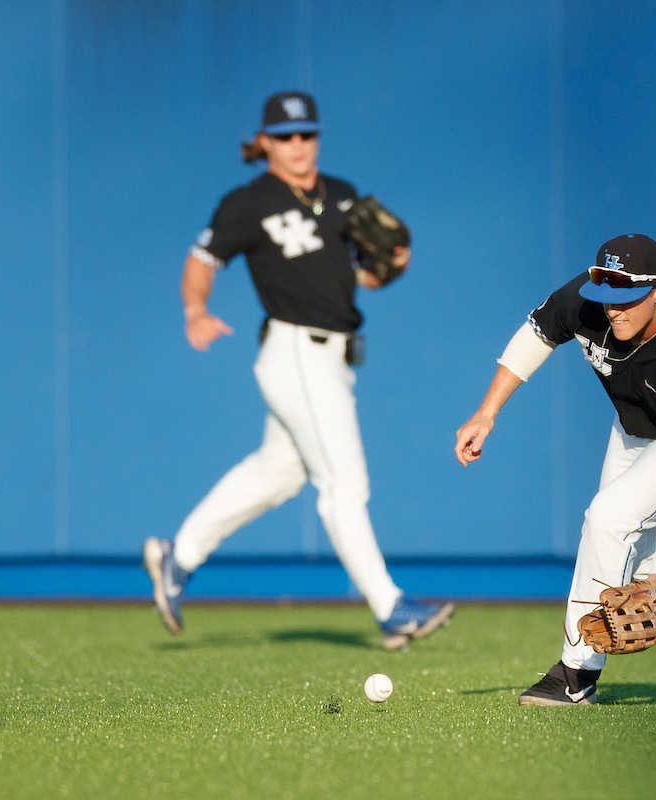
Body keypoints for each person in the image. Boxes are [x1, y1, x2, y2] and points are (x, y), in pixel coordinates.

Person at [144, 91, 453, 650]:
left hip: (334, 355)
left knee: (279, 472)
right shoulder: (248, 203)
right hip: (297, 352)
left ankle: (178, 557)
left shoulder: (342, 193)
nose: (297, 145)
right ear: (265, 141)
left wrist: (391, 267)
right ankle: (391, 609)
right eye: (285, 136)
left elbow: (360, 278)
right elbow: (202, 259)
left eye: (306, 133)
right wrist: (195, 309)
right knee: (343, 483)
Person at [455, 234, 656, 705]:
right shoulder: (590, 298)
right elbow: (537, 335)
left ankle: (576, 672)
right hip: (634, 427)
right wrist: (487, 412)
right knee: (622, 548)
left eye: (627, 298)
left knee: (608, 521)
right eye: (606, 296)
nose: (612, 309)